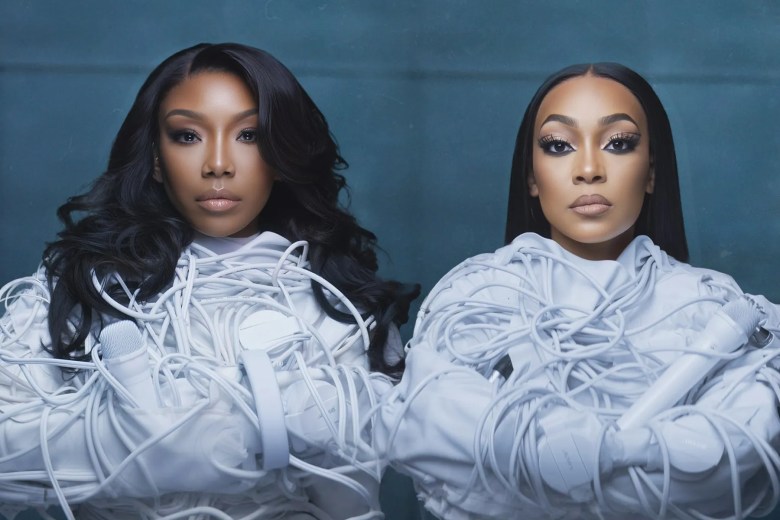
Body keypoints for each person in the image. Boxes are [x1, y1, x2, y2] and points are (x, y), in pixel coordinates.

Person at [0, 42, 419, 520]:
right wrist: (259, 427)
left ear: (281, 156)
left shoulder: (337, 302)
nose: (217, 164)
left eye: (248, 136)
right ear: (156, 158)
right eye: (187, 136)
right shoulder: (80, 283)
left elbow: (352, 503)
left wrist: (155, 435)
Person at [376, 63, 780, 519]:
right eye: (559, 146)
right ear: (531, 176)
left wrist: (545, 460)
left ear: (651, 172)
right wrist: (647, 456)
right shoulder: (476, 297)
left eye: (619, 144)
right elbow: (424, 441)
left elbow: (726, 471)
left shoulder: (712, 306)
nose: (589, 169)